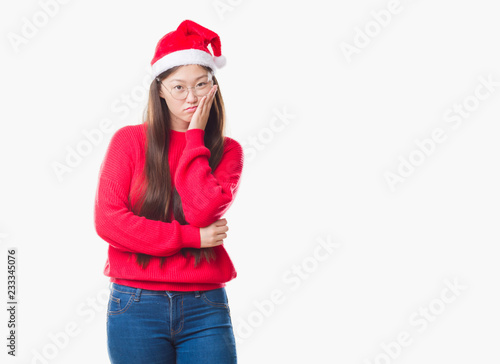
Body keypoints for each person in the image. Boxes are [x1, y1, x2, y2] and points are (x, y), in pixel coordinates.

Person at [93, 19, 243, 363]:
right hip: (135, 304)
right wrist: (193, 238)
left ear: (214, 87)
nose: (192, 97)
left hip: (205, 306)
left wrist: (195, 137)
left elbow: (202, 210)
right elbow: (109, 222)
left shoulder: (228, 150)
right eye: (179, 87)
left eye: (202, 84)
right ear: (160, 90)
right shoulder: (129, 142)